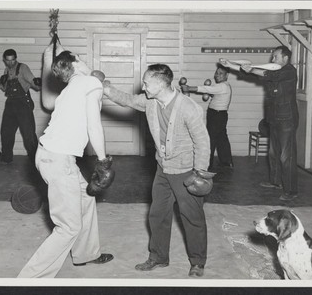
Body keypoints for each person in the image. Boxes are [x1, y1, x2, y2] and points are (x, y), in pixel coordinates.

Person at [103, 64, 211, 278]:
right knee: (158, 214)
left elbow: (203, 142)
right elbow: (128, 100)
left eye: (146, 83)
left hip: (185, 171)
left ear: (161, 84)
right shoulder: (151, 102)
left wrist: (200, 173)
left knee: (192, 217)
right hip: (163, 168)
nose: (143, 87)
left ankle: (197, 262)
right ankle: (159, 257)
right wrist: (106, 88)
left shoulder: (189, 108)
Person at [17, 51, 114, 278]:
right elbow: (94, 127)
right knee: (69, 227)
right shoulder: (90, 82)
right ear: (76, 64)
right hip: (58, 160)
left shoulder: (69, 89)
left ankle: (86, 254)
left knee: (86, 197)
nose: (85, 60)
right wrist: (103, 161)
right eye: (81, 57)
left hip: (49, 156)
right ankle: (28, 281)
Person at [222, 45, 299, 201]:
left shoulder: (289, 71)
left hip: (287, 120)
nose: (273, 59)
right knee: (273, 153)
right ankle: (275, 182)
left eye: (276, 56)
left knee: (286, 156)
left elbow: (265, 72)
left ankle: (291, 191)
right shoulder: (275, 71)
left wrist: (251, 68)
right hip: (274, 119)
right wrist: (230, 65)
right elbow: (258, 73)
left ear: (285, 58)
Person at [181, 64, 234, 170]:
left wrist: (189, 88)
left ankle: (206, 164)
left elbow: (205, 88)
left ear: (226, 75)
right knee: (222, 138)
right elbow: (211, 92)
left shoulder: (222, 86)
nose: (217, 75)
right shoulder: (223, 86)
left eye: (220, 73)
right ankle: (226, 162)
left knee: (211, 138)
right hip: (219, 115)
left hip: (217, 115)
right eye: (216, 73)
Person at [0, 49, 41, 166]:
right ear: (5, 60)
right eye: (8, 61)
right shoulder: (6, 70)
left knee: (28, 134)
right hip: (10, 104)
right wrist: (3, 83)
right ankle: (6, 158)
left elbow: (33, 82)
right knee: (6, 132)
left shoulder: (23, 68)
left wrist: (37, 83)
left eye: (13, 60)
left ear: (16, 59)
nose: (11, 63)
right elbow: (5, 89)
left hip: (23, 104)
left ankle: (36, 161)